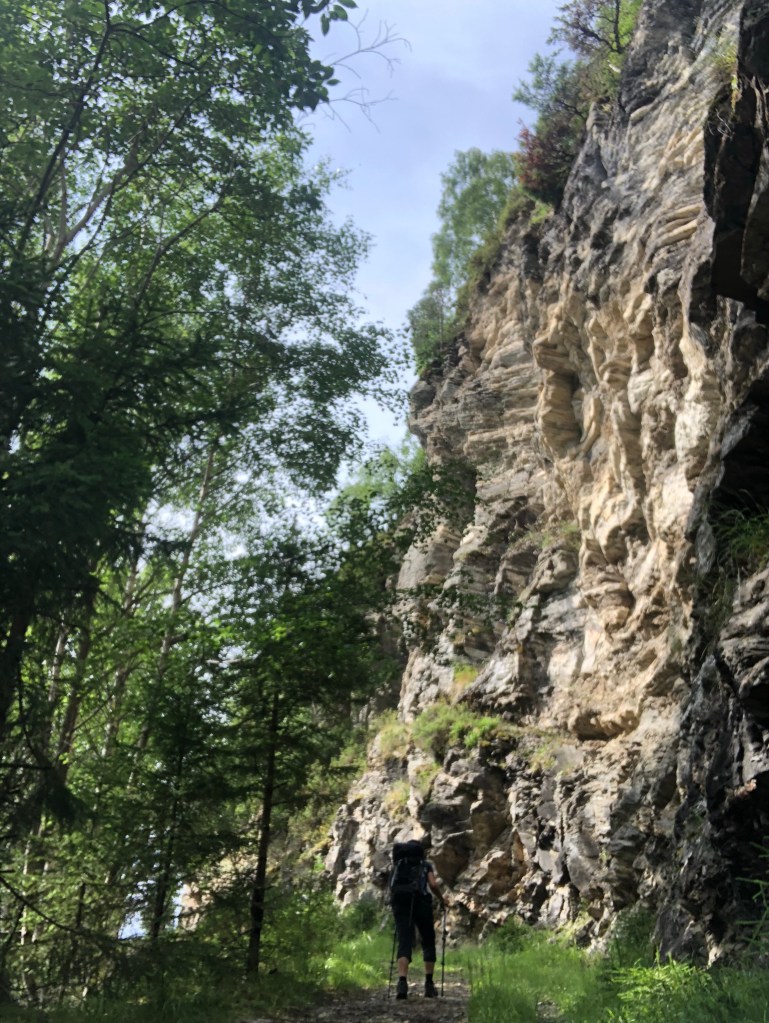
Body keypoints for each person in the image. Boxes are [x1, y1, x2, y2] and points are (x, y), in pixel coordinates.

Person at [390, 840, 447, 1000]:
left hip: (401, 905)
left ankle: (402, 983)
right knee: (428, 940)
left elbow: (392, 887)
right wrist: (442, 900)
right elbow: (433, 885)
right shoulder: (426, 865)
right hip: (421, 904)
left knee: (404, 941)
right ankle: (429, 984)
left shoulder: (398, 865)